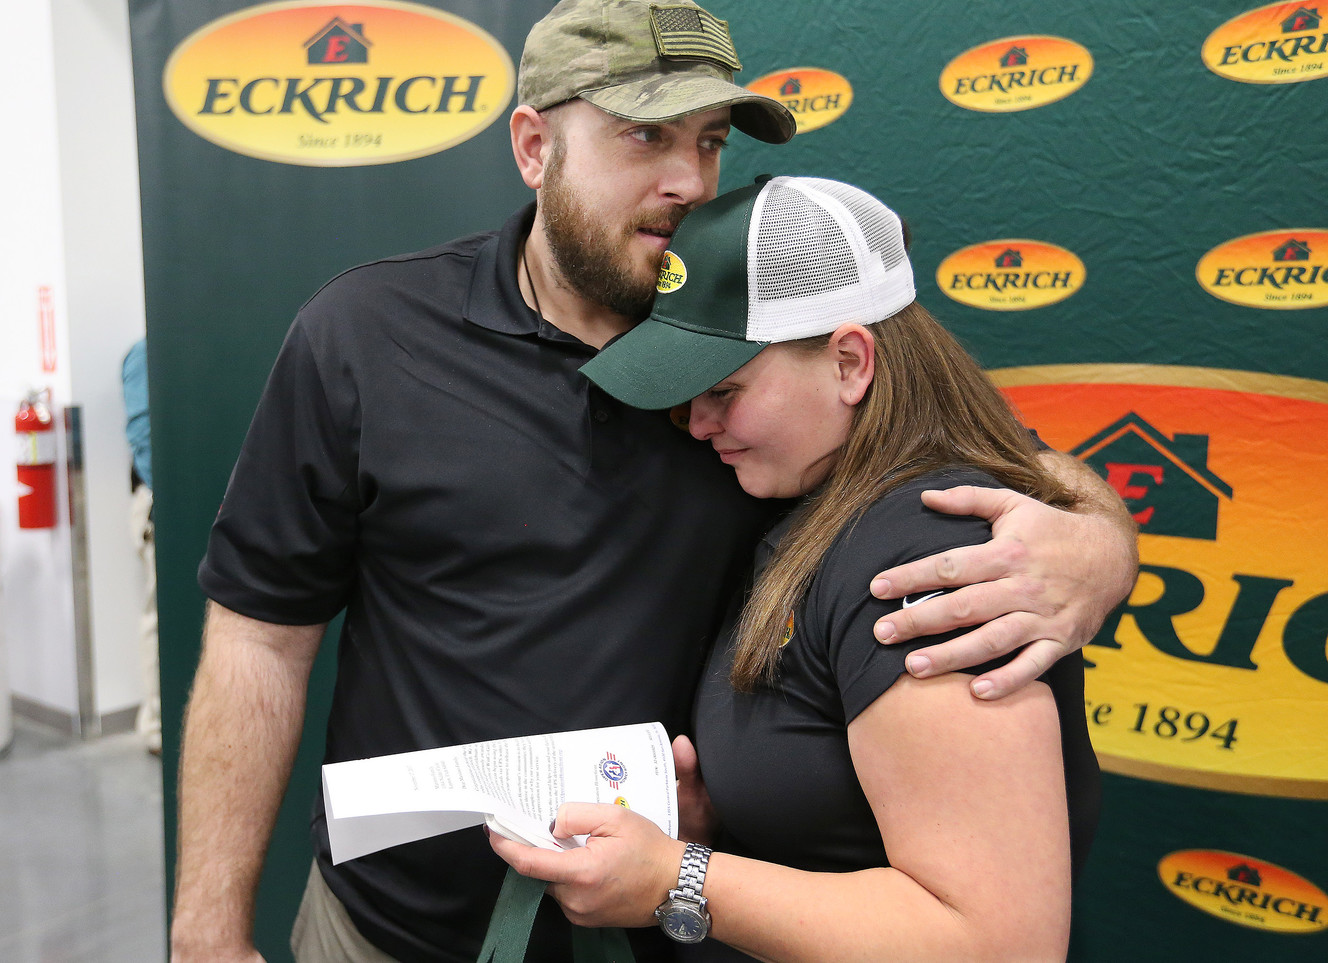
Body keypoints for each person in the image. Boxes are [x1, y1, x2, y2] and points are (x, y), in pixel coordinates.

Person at [170, 2, 1135, 961]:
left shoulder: (762, 333)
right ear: (534, 145)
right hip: (389, 926)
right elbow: (259, 638)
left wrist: (1094, 541)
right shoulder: (364, 334)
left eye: (710, 141)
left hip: (663, 933)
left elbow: (962, 457)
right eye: (644, 136)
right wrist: (209, 932)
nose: (687, 181)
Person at [492, 175, 1101, 960]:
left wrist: (679, 878)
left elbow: (998, 942)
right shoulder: (810, 492)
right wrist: (712, 829)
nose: (696, 424)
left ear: (850, 362)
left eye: (725, 390)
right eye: (684, 395)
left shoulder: (927, 559)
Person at [121, 337, 160, 756]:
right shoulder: (146, 351)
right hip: (156, 500)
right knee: (159, 614)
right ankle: (157, 728)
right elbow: (144, 435)